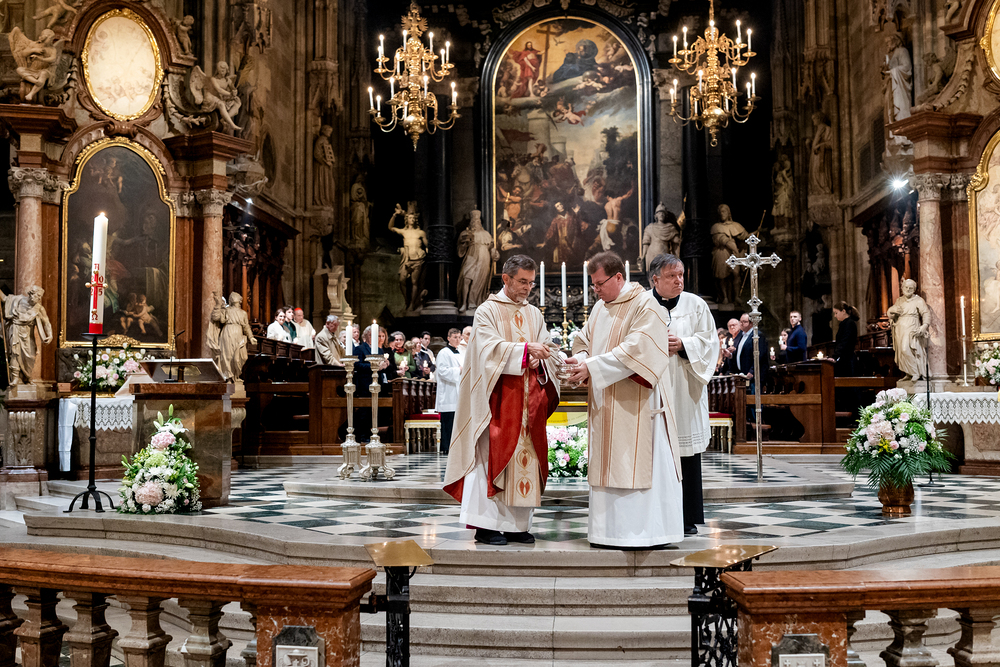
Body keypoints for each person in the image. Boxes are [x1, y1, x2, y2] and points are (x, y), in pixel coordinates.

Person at [565, 251, 684, 549]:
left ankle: (645, 534)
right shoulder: (599, 308)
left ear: (619, 277)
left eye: (599, 283)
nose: (595, 290)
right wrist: (580, 358)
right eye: (593, 284)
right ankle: (607, 533)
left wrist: (592, 367)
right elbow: (583, 340)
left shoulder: (646, 305)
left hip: (639, 406)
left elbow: (638, 348)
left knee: (636, 463)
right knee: (608, 463)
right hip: (607, 403)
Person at [443, 255, 561, 546]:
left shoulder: (534, 314)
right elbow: (487, 350)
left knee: (526, 459)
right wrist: (525, 351)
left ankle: (517, 526)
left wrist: (542, 357)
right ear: (505, 279)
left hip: (528, 401)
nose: (527, 288)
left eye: (531, 282)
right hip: (496, 400)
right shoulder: (487, 311)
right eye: (522, 281)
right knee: (490, 458)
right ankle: (486, 526)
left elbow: (547, 348)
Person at [647, 253, 720, 537]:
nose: (679, 281)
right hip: (652, 390)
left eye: (681, 275)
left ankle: (687, 517)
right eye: (671, 276)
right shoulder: (642, 304)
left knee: (686, 454)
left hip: (685, 388)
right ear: (655, 280)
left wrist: (684, 344)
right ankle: (655, 516)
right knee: (656, 453)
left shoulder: (696, 305)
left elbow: (710, 343)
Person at [0, 285, 52, 385]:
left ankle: (27, 377)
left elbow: (46, 322)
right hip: (15, 330)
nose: (39, 298)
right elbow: (5, 299)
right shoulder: (17, 300)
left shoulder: (39, 308)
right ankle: (15, 378)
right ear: (31, 294)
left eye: (40, 297)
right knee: (15, 353)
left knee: (31, 356)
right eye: (38, 295)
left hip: (28, 335)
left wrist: (50, 335)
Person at [206, 292, 256, 383]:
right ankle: (229, 377)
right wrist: (218, 305)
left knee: (242, 357)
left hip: (239, 335)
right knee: (227, 356)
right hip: (227, 333)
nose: (239, 302)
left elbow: (246, 326)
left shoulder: (243, 313)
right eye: (238, 300)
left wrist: (251, 337)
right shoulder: (226, 310)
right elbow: (217, 318)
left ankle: (236, 375)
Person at [887, 279, 930, 381]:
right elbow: (891, 313)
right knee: (901, 352)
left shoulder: (918, 300)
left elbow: (926, 313)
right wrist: (891, 312)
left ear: (914, 289)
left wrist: (924, 326)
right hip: (899, 328)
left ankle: (915, 372)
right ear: (902, 288)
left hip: (911, 326)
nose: (908, 289)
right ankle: (909, 373)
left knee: (905, 349)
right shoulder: (899, 300)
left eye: (911, 288)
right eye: (906, 287)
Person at [435, 328, 463, 455]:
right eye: (455, 337)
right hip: (448, 393)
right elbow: (442, 371)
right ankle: (446, 447)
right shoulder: (444, 353)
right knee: (448, 421)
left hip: (458, 391)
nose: (457, 339)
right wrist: (458, 370)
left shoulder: (460, 353)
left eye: (459, 337)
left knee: (456, 421)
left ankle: (455, 446)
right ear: (448, 338)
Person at [733, 313, 768, 391]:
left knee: (753, 396)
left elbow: (760, 355)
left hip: (753, 375)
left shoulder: (757, 335)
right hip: (743, 374)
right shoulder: (741, 335)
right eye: (740, 321)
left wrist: (752, 371)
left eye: (744, 322)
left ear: (751, 323)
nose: (741, 324)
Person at [833, 301, 861, 376]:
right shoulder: (845, 323)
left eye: (836, 313)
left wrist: (835, 356)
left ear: (843, 311)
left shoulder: (849, 323)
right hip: (845, 358)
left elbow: (844, 342)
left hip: (848, 360)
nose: (835, 316)